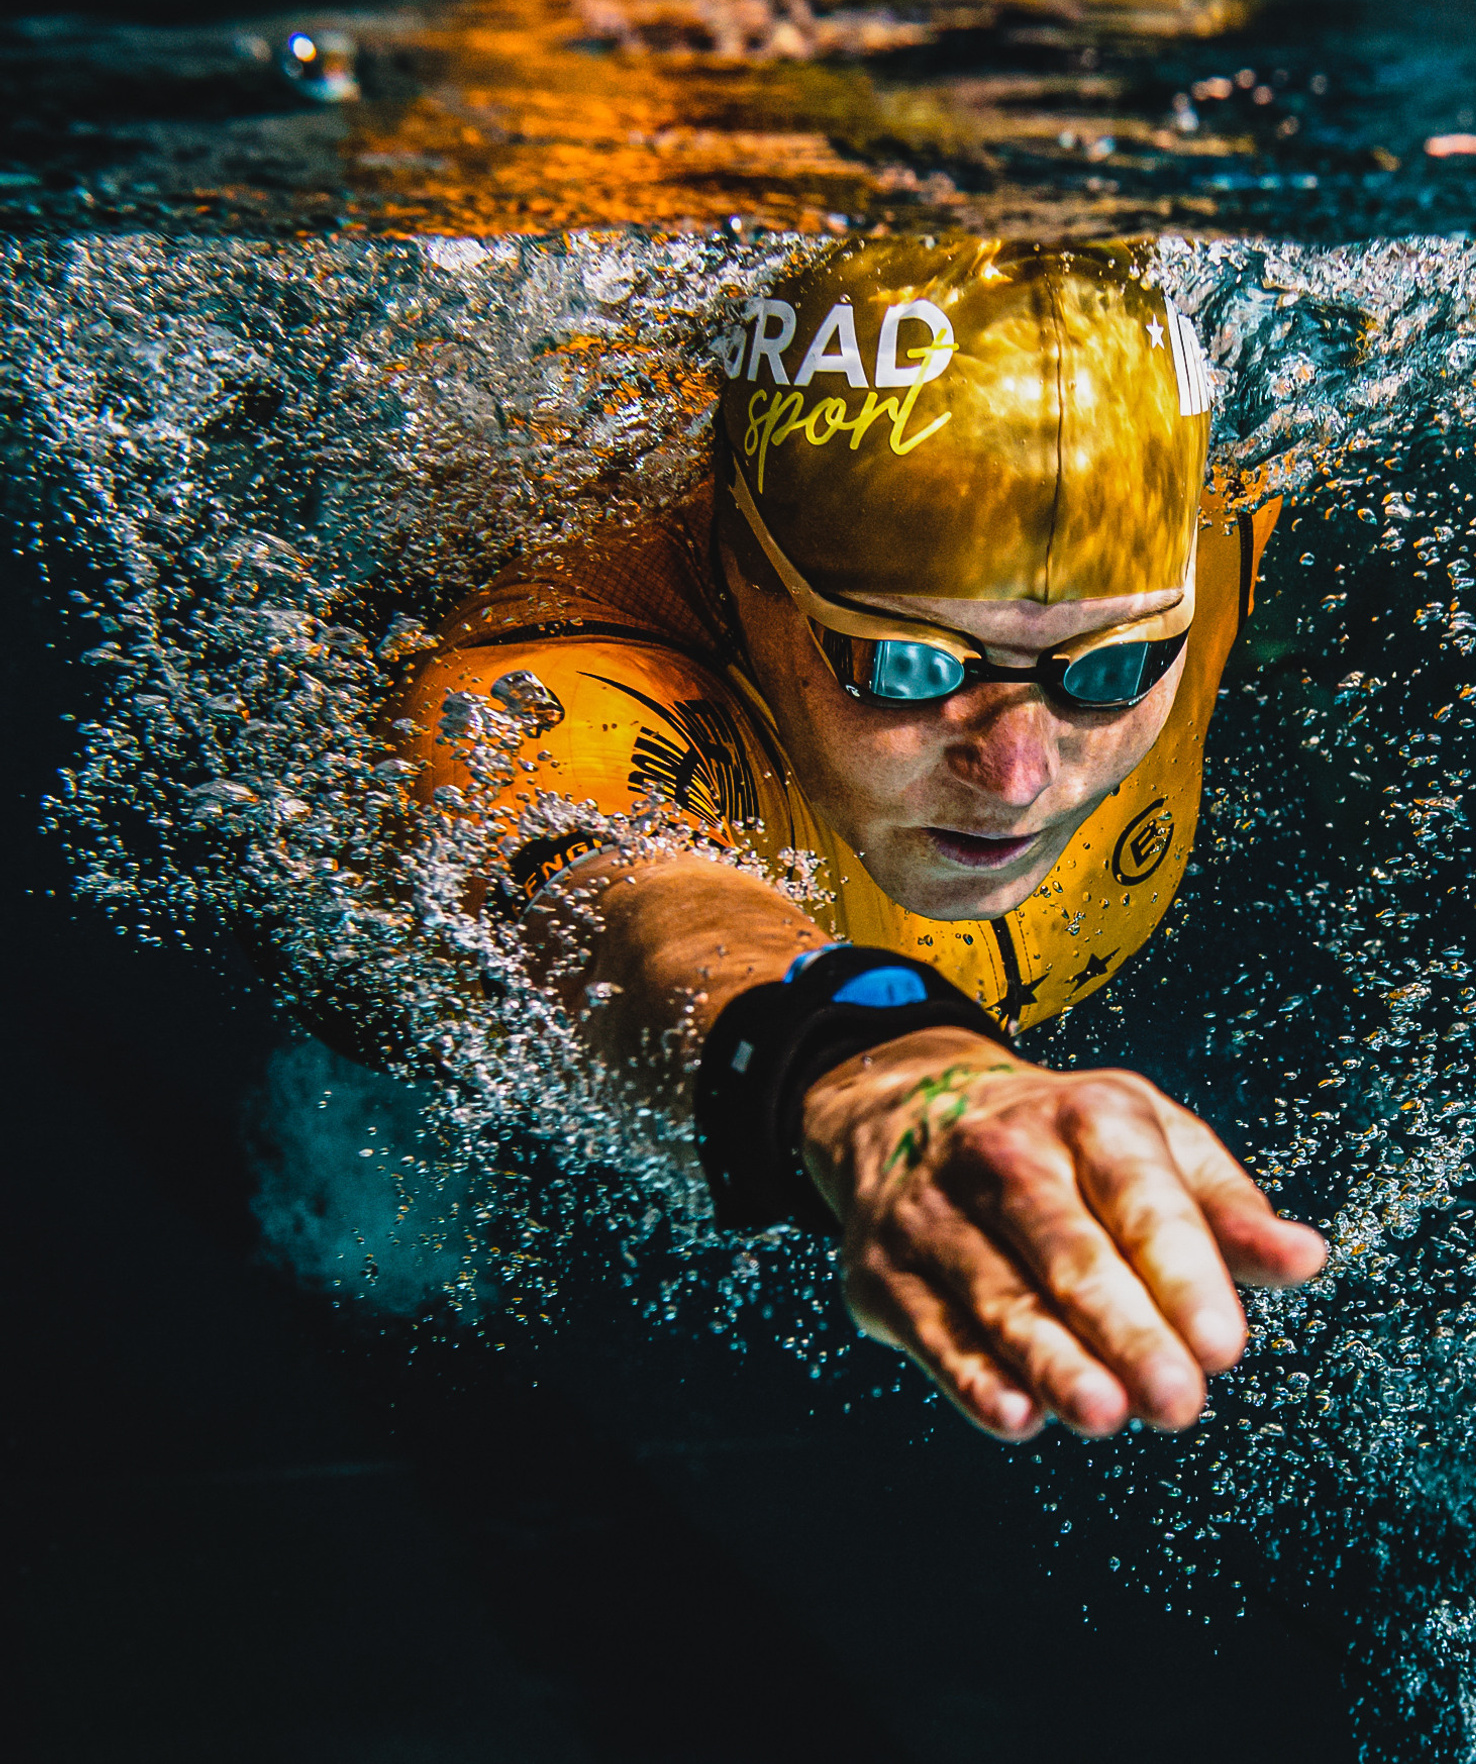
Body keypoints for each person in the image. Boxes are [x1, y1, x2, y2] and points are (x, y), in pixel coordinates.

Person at [395, 236, 1327, 1443]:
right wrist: (877, 1073)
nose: (1020, 774)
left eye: (1108, 668)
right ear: (744, 568)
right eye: (910, 663)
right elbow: (611, 884)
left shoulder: (1215, 538)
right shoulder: (563, 677)